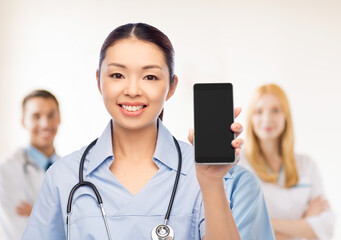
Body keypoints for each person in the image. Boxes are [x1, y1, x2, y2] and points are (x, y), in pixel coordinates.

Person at [22, 23, 274, 240]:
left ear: (172, 86)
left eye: (150, 77)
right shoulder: (63, 178)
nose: (132, 90)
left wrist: (210, 182)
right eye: (118, 75)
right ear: (99, 80)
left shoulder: (214, 177)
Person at [239, 84, 335, 239]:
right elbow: (242, 228)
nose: (267, 119)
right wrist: (304, 223)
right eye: (259, 111)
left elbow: (326, 226)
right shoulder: (239, 164)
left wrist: (264, 225)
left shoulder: (307, 165)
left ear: (286, 115)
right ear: (251, 118)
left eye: (275, 110)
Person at [0, 90, 61, 240]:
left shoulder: (72, 171)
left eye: (51, 115)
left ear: (59, 118)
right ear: (23, 121)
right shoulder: (5, 171)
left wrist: (37, 212)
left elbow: (84, 228)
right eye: (36, 116)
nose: (45, 124)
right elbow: (20, 232)